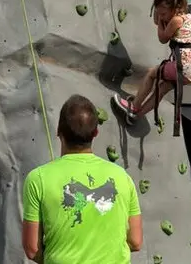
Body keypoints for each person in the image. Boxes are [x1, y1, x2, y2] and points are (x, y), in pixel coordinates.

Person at [22, 94, 143, 264]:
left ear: (58, 131)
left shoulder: (37, 179)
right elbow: (135, 241)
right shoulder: (122, 177)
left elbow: (32, 248)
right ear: (96, 132)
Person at [110, 0, 191, 124]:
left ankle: (134, 106)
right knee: (161, 89)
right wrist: (157, 4)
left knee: (151, 73)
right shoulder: (185, 17)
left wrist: (160, 20)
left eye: (163, 13)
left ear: (173, 9)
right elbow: (158, 21)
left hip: (185, 64)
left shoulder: (176, 20)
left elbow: (162, 38)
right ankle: (135, 116)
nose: (161, 16)